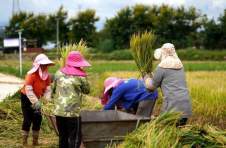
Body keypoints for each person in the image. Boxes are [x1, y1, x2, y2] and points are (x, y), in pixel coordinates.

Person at [144, 43, 193, 126]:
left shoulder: (160, 68)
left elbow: (153, 85)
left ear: (162, 54)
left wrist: (146, 78)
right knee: (180, 129)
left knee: (168, 130)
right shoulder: (180, 65)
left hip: (172, 106)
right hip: (185, 104)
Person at [52, 51, 91, 148]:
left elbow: (53, 89)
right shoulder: (81, 76)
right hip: (72, 112)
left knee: (62, 136)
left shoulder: (58, 73)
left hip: (59, 111)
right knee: (75, 137)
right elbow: (86, 91)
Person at [21, 54, 55, 147]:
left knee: (37, 119)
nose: (44, 67)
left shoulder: (47, 76)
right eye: (42, 65)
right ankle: (25, 142)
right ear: (38, 65)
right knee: (27, 119)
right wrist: (35, 101)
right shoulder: (31, 75)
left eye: (45, 65)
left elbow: (48, 90)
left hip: (39, 99)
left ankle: (35, 142)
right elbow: (28, 90)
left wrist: (45, 101)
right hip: (27, 97)